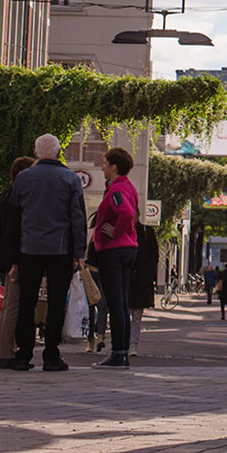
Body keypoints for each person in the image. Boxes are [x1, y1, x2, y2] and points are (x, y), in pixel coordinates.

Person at [8, 134, 87, 372]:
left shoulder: (23, 178)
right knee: (55, 303)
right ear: (59, 153)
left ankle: (23, 354)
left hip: (29, 248)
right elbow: (77, 218)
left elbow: (14, 216)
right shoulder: (70, 179)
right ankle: (51, 355)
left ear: (36, 153)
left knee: (27, 301)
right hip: (59, 249)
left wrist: (13, 254)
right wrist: (79, 252)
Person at [86, 148, 140, 370]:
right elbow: (132, 214)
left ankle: (118, 354)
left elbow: (126, 213)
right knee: (122, 303)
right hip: (128, 249)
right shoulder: (129, 187)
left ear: (114, 167)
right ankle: (123, 351)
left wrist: (113, 232)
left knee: (114, 304)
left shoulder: (117, 190)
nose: (102, 167)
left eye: (105, 163)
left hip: (113, 250)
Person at [0, 156, 35, 370]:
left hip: (9, 256)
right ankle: (6, 353)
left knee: (9, 303)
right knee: (13, 304)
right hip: (14, 258)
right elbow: (14, 232)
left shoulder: (10, 195)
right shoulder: (16, 199)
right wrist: (15, 263)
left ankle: (4, 350)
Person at [128, 224, 159, 356]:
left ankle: (132, 345)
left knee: (136, 316)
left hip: (140, 282)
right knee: (124, 314)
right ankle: (122, 343)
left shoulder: (147, 232)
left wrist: (148, 275)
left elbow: (154, 255)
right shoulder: (124, 229)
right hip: (127, 280)